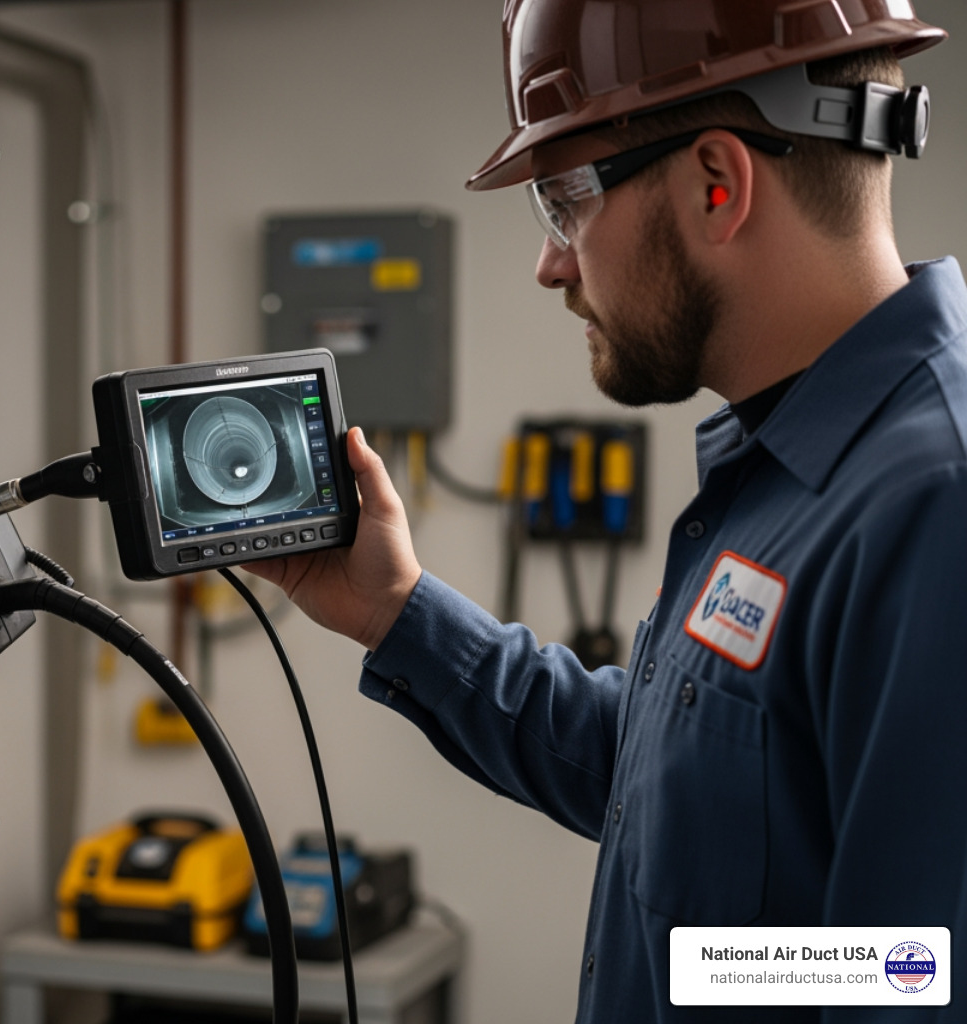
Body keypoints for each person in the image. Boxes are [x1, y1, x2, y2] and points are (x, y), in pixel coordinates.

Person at [246, 2, 967, 1021]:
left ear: (718, 185)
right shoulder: (783, 470)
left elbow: (912, 970)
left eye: (562, 201)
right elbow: (674, 778)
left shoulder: (936, 504)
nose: (552, 263)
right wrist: (396, 610)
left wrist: (695, 968)